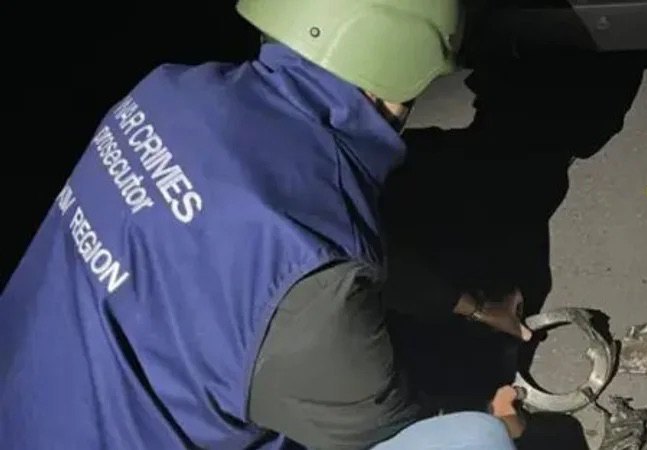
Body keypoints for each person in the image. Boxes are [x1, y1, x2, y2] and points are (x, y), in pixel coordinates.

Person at [0, 0, 530, 448]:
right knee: (478, 441)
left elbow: (297, 258)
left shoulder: (166, 91)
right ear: (400, 68)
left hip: (17, 400)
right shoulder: (312, 285)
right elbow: (384, 427)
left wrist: (474, 308)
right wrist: (494, 418)